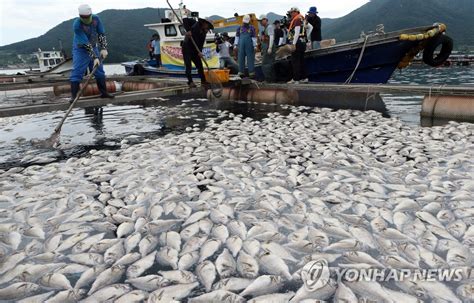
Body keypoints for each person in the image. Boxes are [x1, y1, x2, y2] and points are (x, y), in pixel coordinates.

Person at [70, 4, 114, 102]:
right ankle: (73, 96)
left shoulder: (96, 19)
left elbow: (101, 33)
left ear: (90, 14)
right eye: (83, 17)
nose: (85, 19)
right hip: (80, 49)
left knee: (99, 71)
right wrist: (95, 58)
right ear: (80, 16)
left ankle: (104, 92)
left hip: (94, 46)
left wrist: (104, 48)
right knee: (77, 71)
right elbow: (85, 43)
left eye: (87, 16)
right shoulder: (77, 25)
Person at [182, 18, 213, 87]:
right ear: (204, 23)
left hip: (195, 50)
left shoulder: (204, 33)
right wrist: (188, 30)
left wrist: (200, 52)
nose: (208, 29)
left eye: (209, 28)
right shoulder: (194, 23)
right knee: (188, 65)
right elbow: (184, 20)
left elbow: (201, 44)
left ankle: (203, 81)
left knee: (199, 65)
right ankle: (190, 82)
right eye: (208, 26)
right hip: (187, 47)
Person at [287, 7, 308, 84]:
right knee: (302, 61)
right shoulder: (302, 18)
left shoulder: (296, 19)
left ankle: (296, 79)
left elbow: (297, 32)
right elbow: (309, 27)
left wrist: (293, 44)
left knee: (295, 61)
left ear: (296, 12)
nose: (291, 14)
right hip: (303, 42)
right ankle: (304, 78)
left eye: (292, 12)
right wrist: (306, 37)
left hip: (297, 43)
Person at [234, 15, 257, 79]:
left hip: (249, 46)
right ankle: (241, 72)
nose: (245, 23)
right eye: (244, 22)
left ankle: (251, 73)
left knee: (250, 58)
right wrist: (235, 45)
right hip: (241, 46)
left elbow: (254, 37)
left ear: (249, 21)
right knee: (241, 58)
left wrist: (255, 46)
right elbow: (237, 37)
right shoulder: (239, 28)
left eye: (246, 22)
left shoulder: (252, 28)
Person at [258, 14, 275, 82]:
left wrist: (270, 47)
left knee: (265, 64)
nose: (260, 22)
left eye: (261, 21)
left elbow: (271, 37)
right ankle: (272, 79)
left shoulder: (269, 27)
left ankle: (268, 79)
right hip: (266, 47)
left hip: (268, 47)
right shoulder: (266, 28)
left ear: (265, 20)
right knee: (270, 64)